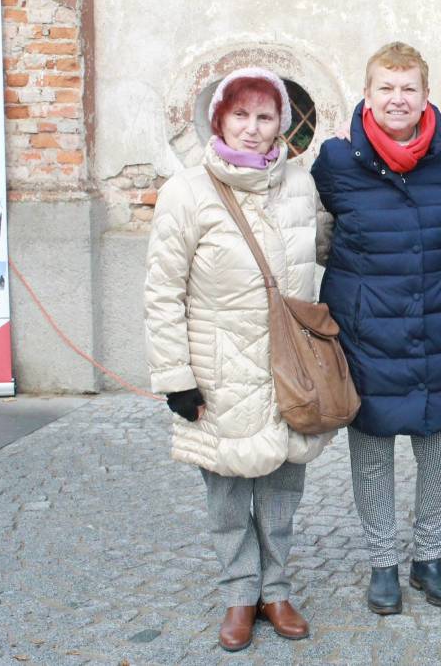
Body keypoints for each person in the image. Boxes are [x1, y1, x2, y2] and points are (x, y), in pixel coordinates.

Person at [144, 67, 332, 652]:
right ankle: (239, 593)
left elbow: (329, 246)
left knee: (282, 486)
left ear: (283, 124)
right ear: (219, 119)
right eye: (241, 115)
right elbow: (162, 290)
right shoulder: (187, 191)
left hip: (288, 368)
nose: (253, 129)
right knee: (227, 491)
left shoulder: (300, 184)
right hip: (219, 369)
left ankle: (276, 588)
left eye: (266, 116)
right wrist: (177, 377)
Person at [311, 42, 441, 616]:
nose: (397, 98)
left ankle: (428, 557)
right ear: (368, 94)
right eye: (386, 87)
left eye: (409, 88)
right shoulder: (334, 160)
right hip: (365, 329)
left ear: (426, 95)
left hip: (432, 324)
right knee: (373, 449)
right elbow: (303, 225)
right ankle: (382, 562)